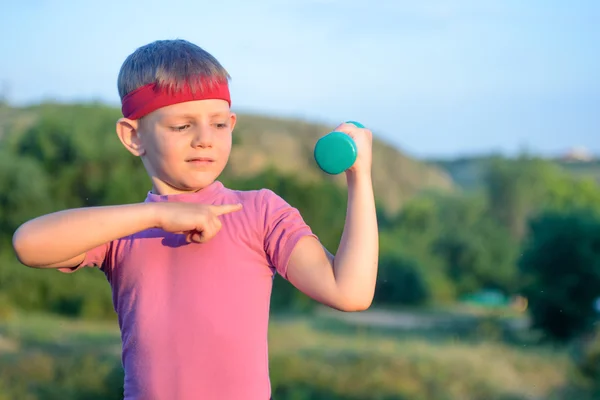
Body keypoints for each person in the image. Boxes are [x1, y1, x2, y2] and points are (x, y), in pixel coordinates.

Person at [12, 39, 379, 400]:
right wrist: (156, 213)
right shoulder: (125, 230)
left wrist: (360, 177)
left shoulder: (259, 213)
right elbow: (28, 244)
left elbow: (349, 292)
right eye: (182, 126)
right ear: (133, 136)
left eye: (218, 125)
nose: (205, 139)